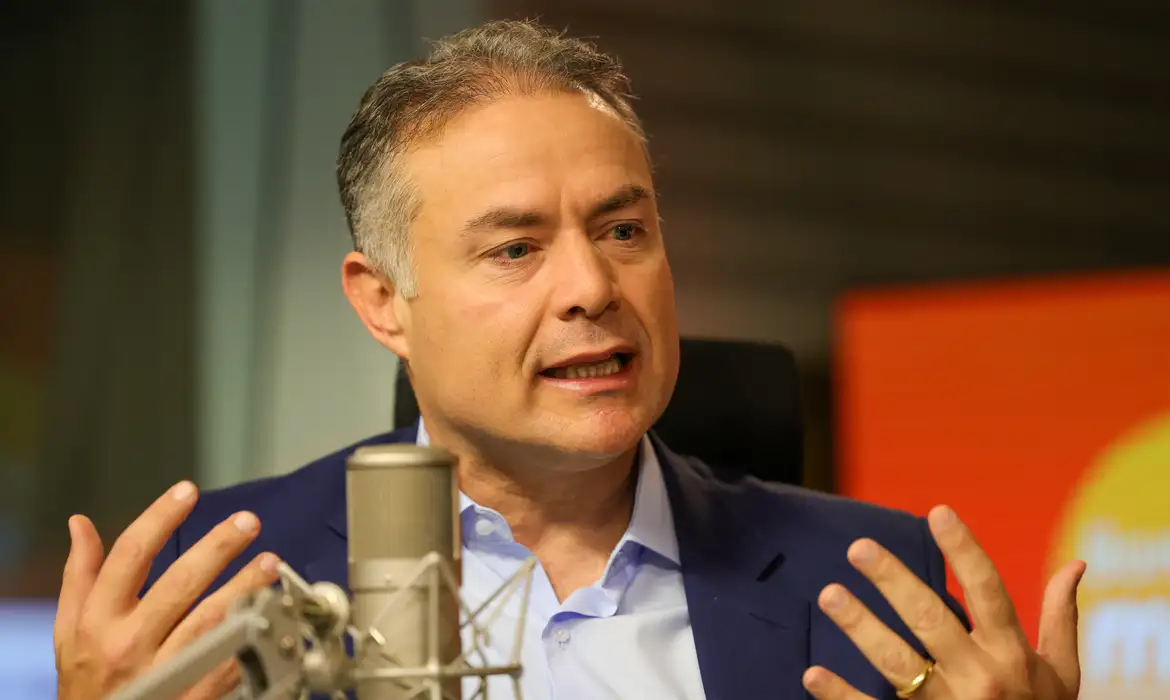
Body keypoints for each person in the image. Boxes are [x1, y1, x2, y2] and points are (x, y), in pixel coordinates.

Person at [53, 20, 1085, 700]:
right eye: (516, 249)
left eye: (624, 230)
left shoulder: (870, 582)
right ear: (383, 303)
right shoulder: (214, 590)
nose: (592, 286)